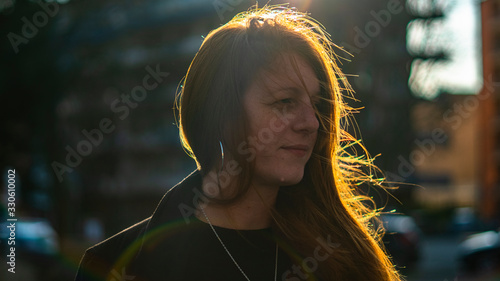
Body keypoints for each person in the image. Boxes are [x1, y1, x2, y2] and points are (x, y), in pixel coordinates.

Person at [75, 5, 402, 281]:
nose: (311, 123)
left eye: (316, 105)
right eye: (285, 102)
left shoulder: (345, 258)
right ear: (221, 114)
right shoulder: (113, 266)